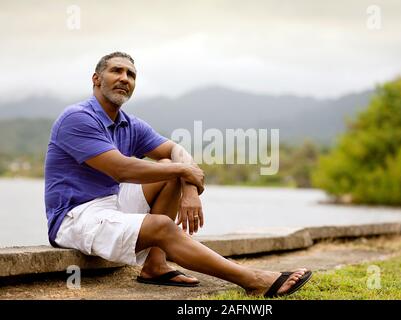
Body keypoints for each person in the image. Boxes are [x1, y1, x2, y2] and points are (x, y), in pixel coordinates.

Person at [44, 51, 312, 297]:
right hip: (75, 217)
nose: (125, 78)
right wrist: (185, 170)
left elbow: (176, 150)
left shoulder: (128, 123)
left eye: (131, 75)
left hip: (111, 204)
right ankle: (254, 280)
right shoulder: (77, 118)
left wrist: (189, 187)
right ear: (96, 79)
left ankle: (155, 266)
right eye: (117, 71)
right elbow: (121, 169)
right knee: (162, 222)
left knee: (167, 167)